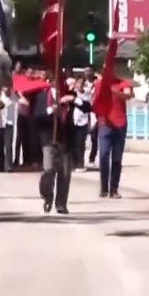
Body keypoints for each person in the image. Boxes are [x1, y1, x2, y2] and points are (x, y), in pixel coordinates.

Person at [34, 81, 89, 214]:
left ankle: (61, 204)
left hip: (66, 140)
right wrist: (51, 110)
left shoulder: (70, 96)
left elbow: (87, 108)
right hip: (49, 141)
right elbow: (37, 117)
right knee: (49, 170)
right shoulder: (43, 96)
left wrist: (74, 99)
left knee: (65, 174)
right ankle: (47, 197)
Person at [96, 68, 132, 199]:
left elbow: (128, 95)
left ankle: (114, 189)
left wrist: (114, 92)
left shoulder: (123, 84)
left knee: (117, 158)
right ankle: (104, 188)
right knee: (104, 155)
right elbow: (95, 102)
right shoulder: (100, 84)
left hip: (120, 124)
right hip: (105, 124)